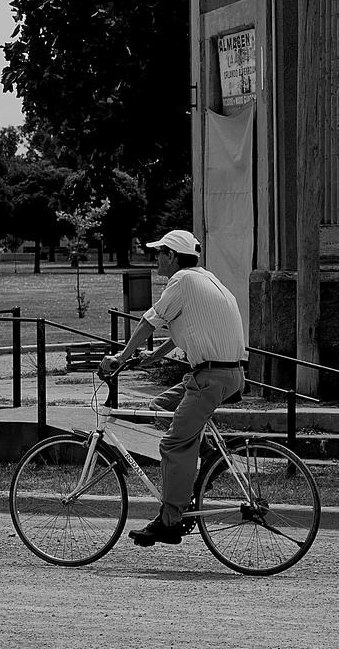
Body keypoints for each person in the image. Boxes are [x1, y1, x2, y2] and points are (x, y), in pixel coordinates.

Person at [100, 229, 246, 546]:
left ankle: (170, 520)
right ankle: (210, 459)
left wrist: (120, 358)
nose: (156, 260)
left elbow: (148, 322)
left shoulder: (180, 281)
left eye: (159, 254)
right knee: (160, 408)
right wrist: (154, 356)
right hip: (224, 375)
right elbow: (183, 325)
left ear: (172, 256)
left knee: (173, 445)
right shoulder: (204, 278)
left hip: (210, 378)